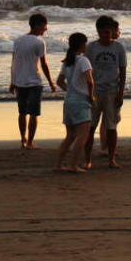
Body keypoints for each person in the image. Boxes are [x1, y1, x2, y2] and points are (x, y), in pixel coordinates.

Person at [84, 16, 127, 168]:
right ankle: (87, 160)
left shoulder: (119, 48)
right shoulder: (91, 48)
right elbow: (86, 71)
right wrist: (87, 93)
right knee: (90, 127)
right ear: (98, 32)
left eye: (109, 32)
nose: (106, 36)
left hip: (112, 91)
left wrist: (121, 93)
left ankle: (111, 159)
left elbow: (122, 71)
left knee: (111, 127)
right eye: (103, 33)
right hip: (95, 91)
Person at [9, 13, 56, 149]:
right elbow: (44, 64)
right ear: (37, 26)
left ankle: (23, 140)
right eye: (44, 26)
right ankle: (30, 141)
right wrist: (51, 82)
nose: (45, 29)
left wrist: (12, 81)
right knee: (34, 114)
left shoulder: (18, 41)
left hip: (20, 81)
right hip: (34, 82)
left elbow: (14, 63)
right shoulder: (39, 42)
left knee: (22, 112)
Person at [54, 33, 94, 172]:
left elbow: (59, 81)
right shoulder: (83, 61)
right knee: (83, 135)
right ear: (82, 45)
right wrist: (91, 96)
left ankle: (59, 165)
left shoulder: (68, 61)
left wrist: (70, 89)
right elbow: (90, 81)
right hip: (80, 101)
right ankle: (73, 165)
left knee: (70, 136)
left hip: (69, 101)